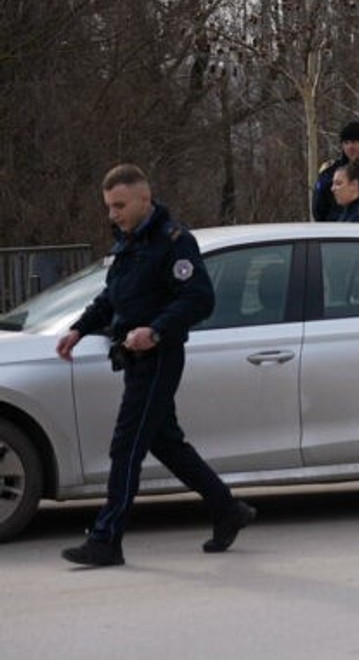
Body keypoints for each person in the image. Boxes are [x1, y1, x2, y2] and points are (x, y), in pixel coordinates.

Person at [56, 164, 256, 567]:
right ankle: (227, 509)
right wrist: (79, 328)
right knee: (165, 442)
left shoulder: (174, 242)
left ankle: (106, 539)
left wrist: (156, 330)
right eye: (109, 207)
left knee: (126, 446)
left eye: (119, 206)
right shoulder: (128, 242)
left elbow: (199, 299)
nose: (112, 215)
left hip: (159, 356)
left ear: (144, 200)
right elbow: (112, 297)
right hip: (133, 356)